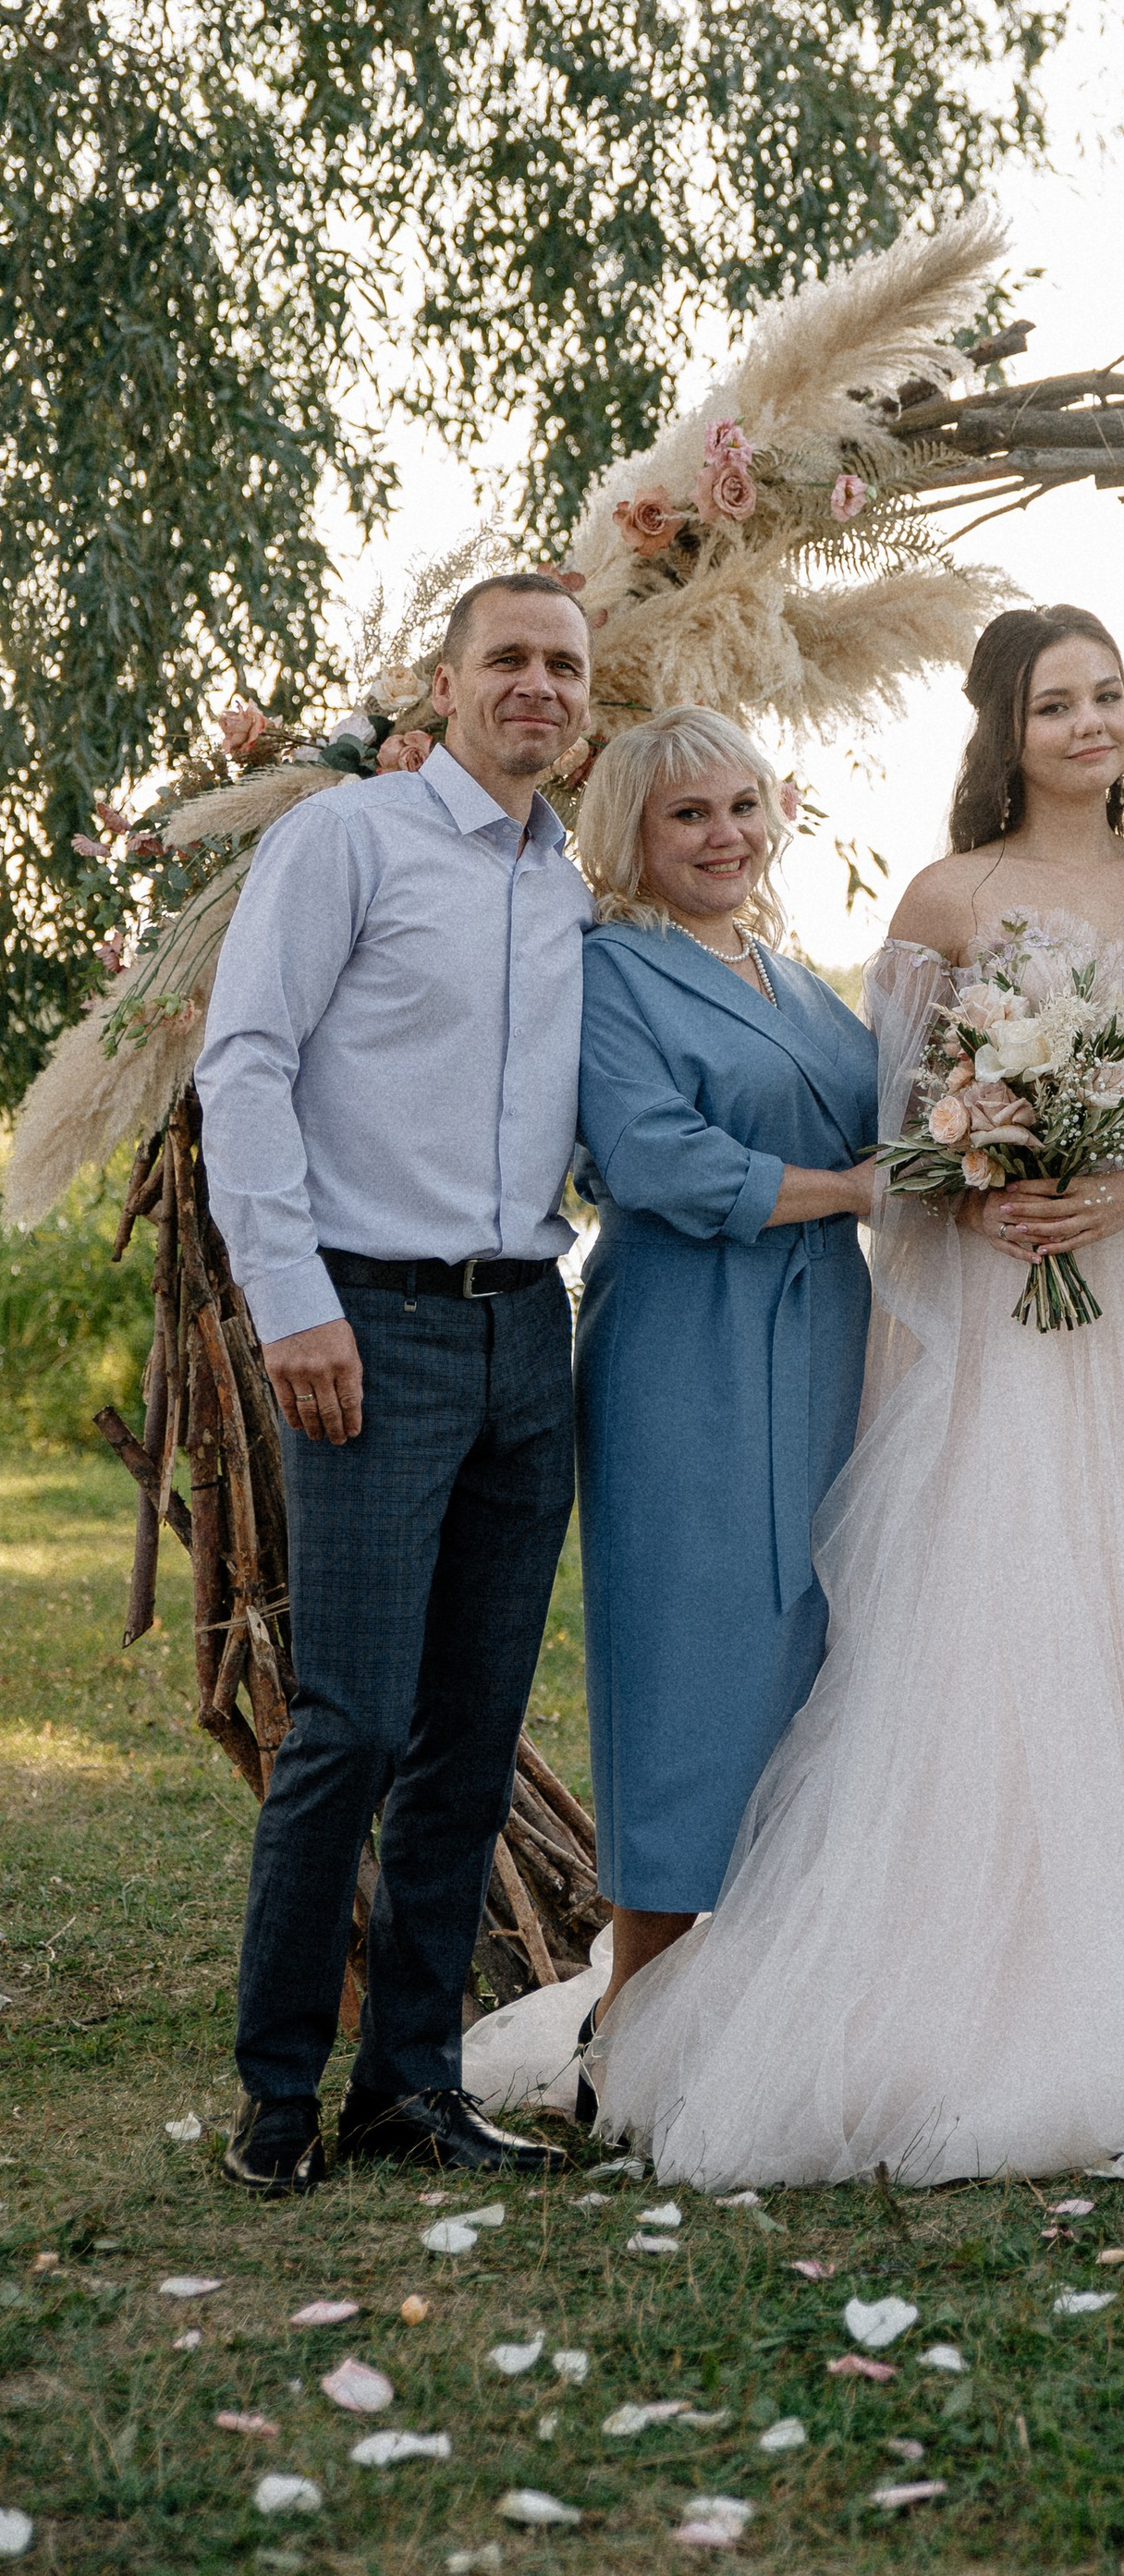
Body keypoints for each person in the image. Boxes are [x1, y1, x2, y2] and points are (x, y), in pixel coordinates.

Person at [590, 605, 1124, 2183]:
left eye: (1110, 695)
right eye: (1057, 702)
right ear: (1006, 727)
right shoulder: (947, 897)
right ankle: (953, 1990)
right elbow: (902, 1133)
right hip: (1000, 1300)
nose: (1094, 723)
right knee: (995, 1625)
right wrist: (991, 1182)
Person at [195, 574, 595, 2194]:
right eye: (508, 657)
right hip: (368, 1326)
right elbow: (246, 1065)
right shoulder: (347, 843)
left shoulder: (574, 888)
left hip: (528, 1331)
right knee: (350, 1725)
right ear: (442, 684)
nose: (538, 687)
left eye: (564, 667)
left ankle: (409, 2089)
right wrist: (291, 1302)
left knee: (472, 1731)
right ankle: (278, 2100)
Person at [568, 707, 875, 2027]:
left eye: (743, 805)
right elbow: (655, 1161)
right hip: (683, 1341)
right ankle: (637, 2000)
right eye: (689, 813)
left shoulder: (794, 976)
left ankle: (774, 1992)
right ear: (631, 833)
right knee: (688, 1646)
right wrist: (857, 1187)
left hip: (829, 1334)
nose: (724, 835)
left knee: (812, 1629)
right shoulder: (606, 973)